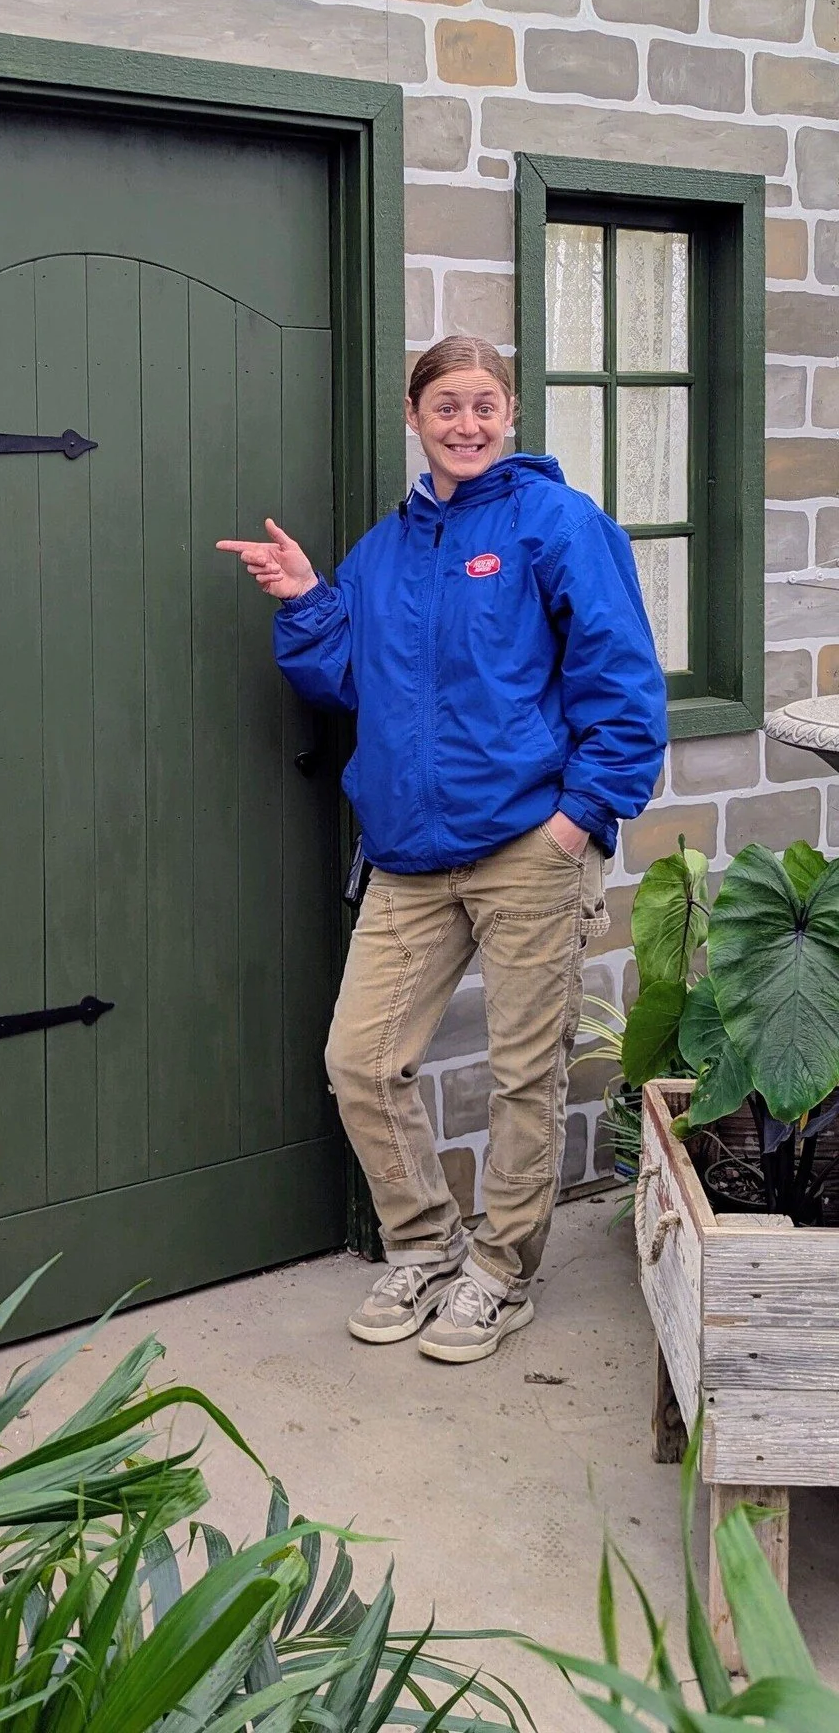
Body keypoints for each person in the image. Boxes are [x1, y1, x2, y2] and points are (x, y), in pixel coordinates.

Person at [218, 335, 667, 1364]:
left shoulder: (555, 523)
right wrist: (305, 598)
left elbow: (623, 685)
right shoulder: (385, 553)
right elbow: (352, 681)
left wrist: (579, 817)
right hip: (411, 856)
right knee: (361, 1064)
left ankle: (502, 1276)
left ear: (511, 413)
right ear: (414, 418)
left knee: (523, 1076)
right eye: (446, 407)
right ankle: (424, 1245)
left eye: (485, 405)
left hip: (528, 848)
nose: (467, 424)